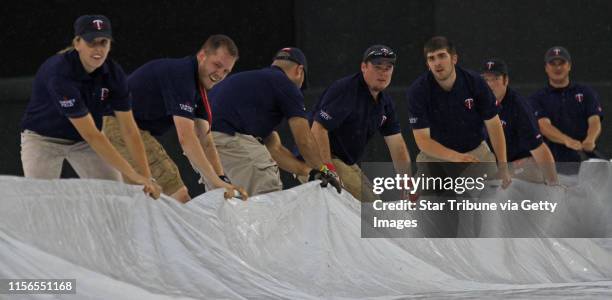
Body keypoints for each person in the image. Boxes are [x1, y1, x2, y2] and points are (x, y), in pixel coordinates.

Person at [20, 15, 160, 199]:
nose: (98, 49)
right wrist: (134, 176)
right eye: (91, 42)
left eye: (104, 42)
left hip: (83, 143)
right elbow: (93, 135)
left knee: (114, 196)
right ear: (77, 43)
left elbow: (129, 129)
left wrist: (146, 177)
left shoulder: (113, 73)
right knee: (41, 202)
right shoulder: (59, 74)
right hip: (43, 140)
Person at [103, 34, 248, 203]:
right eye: (217, 65)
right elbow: (186, 138)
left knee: (151, 200)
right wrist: (216, 183)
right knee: (177, 196)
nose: (220, 75)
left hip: (117, 126)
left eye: (226, 71)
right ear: (202, 56)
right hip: (118, 126)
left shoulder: (198, 87)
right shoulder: (182, 76)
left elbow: (205, 140)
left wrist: (222, 180)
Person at [209, 47, 341, 197]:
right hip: (228, 135)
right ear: (299, 70)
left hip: (203, 145)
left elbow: (274, 148)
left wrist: (307, 171)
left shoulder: (251, 85)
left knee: (227, 207)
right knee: (267, 197)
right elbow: (304, 140)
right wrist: (324, 171)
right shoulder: (286, 85)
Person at [309, 45, 412, 202]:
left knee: (373, 208)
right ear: (364, 67)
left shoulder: (385, 103)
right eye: (377, 67)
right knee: (370, 210)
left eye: (388, 68)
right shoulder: (346, 90)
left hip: (345, 161)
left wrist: (407, 181)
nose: (383, 73)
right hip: (319, 158)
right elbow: (318, 128)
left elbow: (396, 144)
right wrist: (327, 169)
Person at [406, 36, 511, 188]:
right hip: (435, 156)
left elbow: (494, 125)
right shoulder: (417, 91)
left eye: (442, 56)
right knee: (432, 207)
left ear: (454, 59)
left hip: (476, 153)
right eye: (431, 58)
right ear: (428, 64)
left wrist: (503, 167)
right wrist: (455, 157)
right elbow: (423, 140)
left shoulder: (475, 82)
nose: (437, 63)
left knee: (493, 201)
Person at [481, 58, 558, 184]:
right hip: (491, 166)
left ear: (506, 80)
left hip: (519, 166)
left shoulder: (519, 107)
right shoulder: (477, 102)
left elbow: (539, 149)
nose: (489, 84)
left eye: (495, 78)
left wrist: (554, 185)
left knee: (530, 167)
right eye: (485, 80)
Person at [529, 46, 604, 163]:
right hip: (554, 164)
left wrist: (590, 139)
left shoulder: (586, 92)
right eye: (553, 64)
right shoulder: (537, 98)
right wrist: (567, 141)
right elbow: (544, 126)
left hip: (587, 163)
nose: (557, 68)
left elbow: (595, 120)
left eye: (562, 63)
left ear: (569, 66)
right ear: (546, 68)